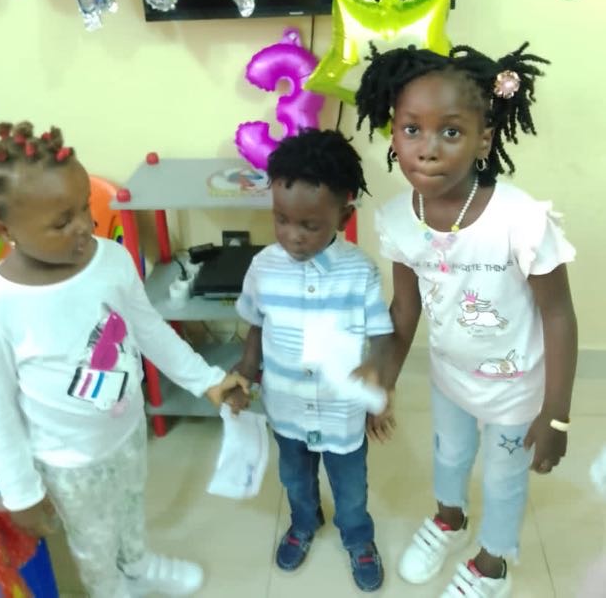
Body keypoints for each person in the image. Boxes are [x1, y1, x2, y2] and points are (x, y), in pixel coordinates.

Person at [0, 122, 249, 598]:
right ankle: (111, 589)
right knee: (93, 540)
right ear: (5, 231)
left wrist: (206, 379)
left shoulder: (111, 260)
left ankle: (139, 565)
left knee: (129, 506)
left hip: (125, 429)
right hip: (66, 459)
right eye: (62, 222)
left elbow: (148, 330)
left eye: (84, 207)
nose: (85, 225)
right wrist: (21, 493)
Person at [355, 44, 577, 598]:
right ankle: (450, 520)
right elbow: (405, 309)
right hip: (450, 377)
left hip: (515, 389)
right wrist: (382, 379)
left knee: (503, 480)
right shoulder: (396, 220)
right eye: (412, 129)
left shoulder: (521, 220)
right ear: (393, 133)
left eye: (450, 132)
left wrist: (555, 415)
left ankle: (493, 563)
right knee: (449, 456)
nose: (427, 149)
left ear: (484, 139)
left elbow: (558, 315)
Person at [226, 128, 394, 592]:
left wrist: (379, 379)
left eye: (309, 226)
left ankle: (357, 536)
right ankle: (304, 521)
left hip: (342, 411)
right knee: (295, 478)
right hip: (286, 406)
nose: (292, 236)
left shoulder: (360, 271)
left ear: (344, 215)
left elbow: (382, 335)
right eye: (281, 220)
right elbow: (256, 324)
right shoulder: (263, 267)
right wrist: (246, 370)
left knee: (351, 488)